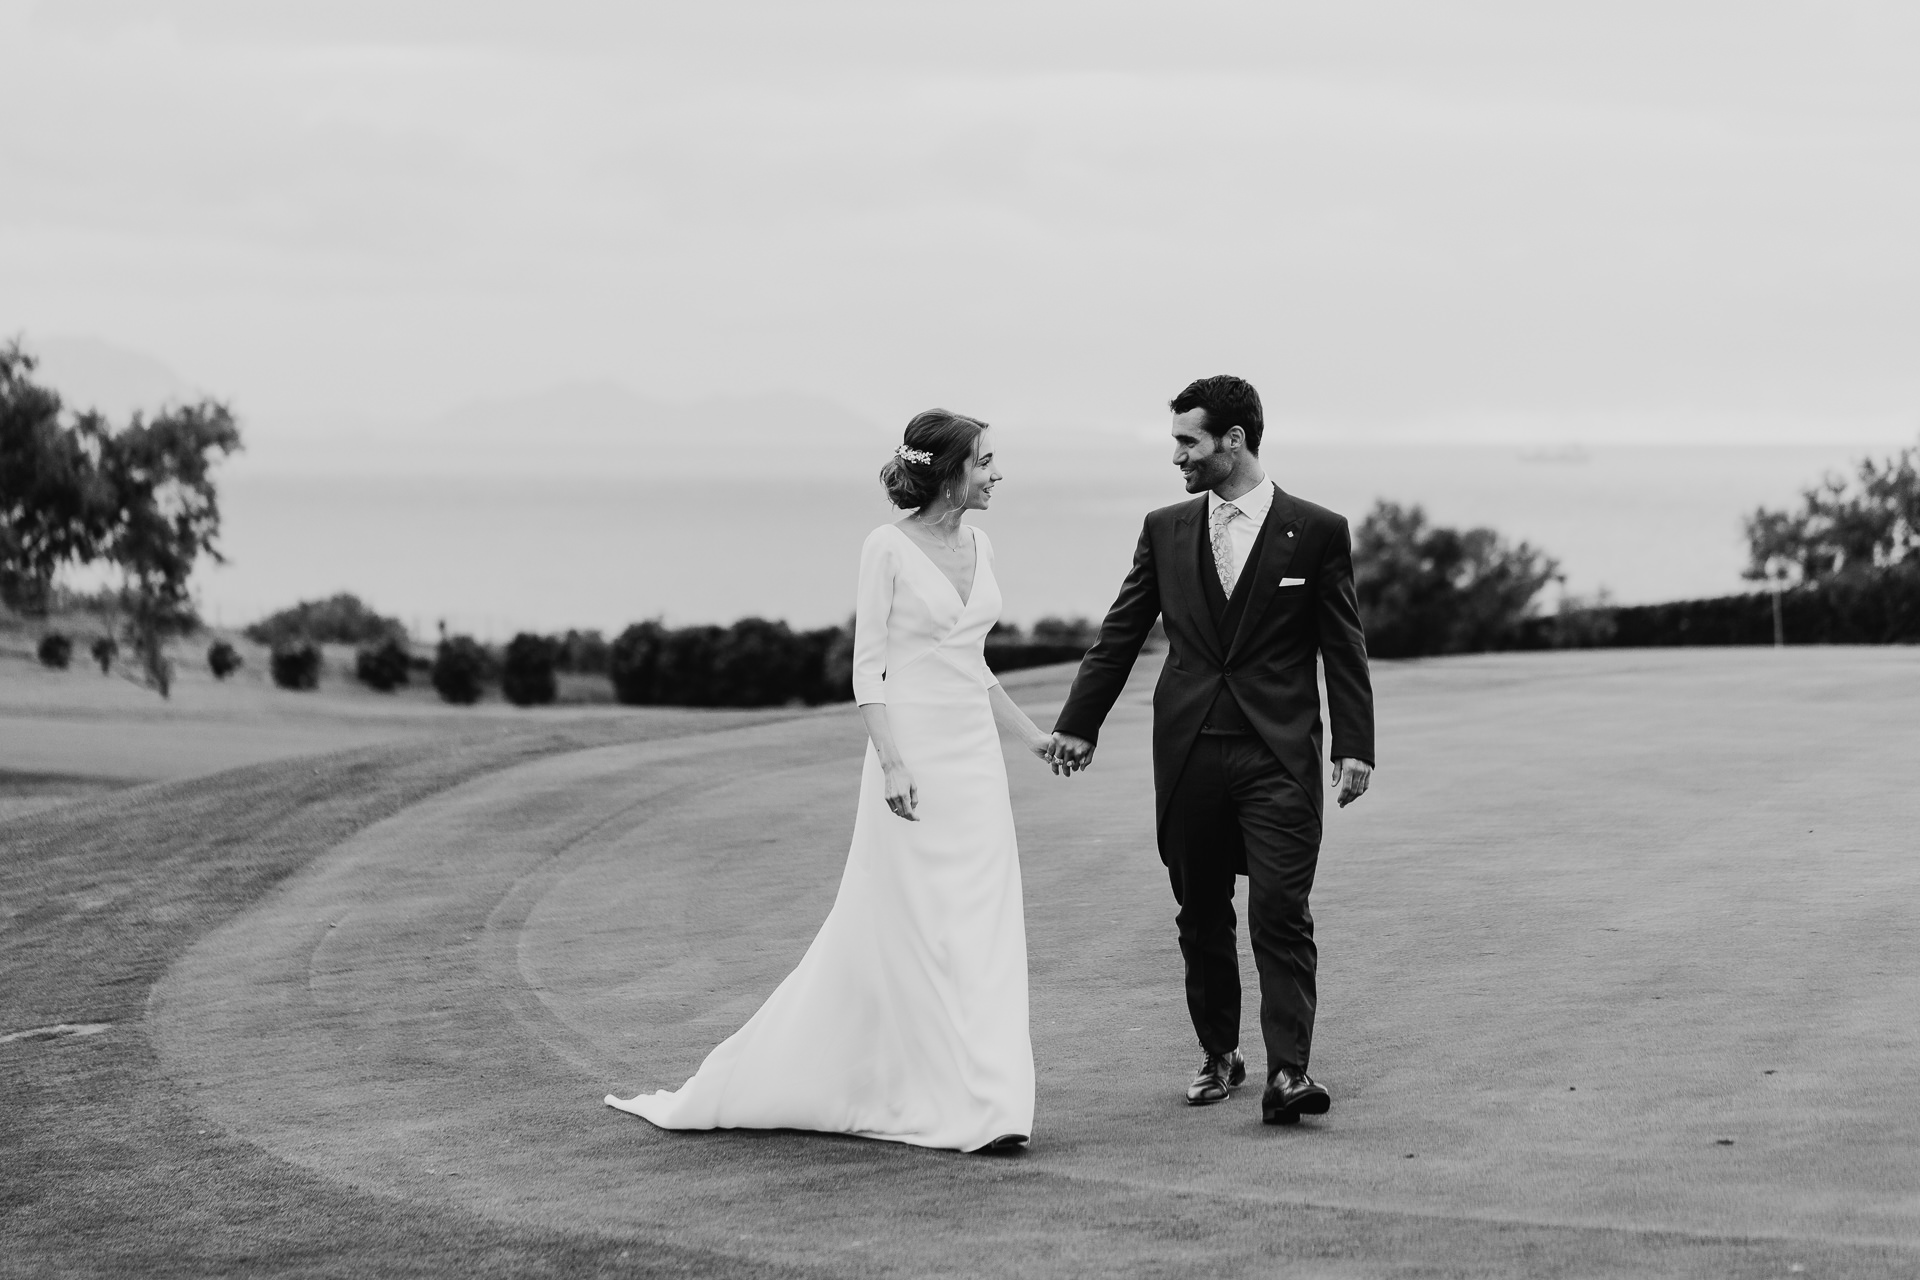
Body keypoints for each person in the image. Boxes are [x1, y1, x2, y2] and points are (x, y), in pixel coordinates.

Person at [606, 409, 1060, 1152]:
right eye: (984, 461)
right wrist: (893, 762)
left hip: (976, 764)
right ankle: (922, 1093)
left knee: (983, 929)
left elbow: (972, 666)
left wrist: (1034, 740)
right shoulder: (885, 547)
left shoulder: (982, 543)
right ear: (949, 471)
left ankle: (994, 1106)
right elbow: (868, 667)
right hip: (910, 759)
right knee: (912, 929)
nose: (995, 474)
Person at [1049, 375, 1375, 1125]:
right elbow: (1121, 633)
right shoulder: (1164, 528)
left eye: (1188, 442)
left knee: (1281, 910)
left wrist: (1355, 744)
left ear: (1233, 441)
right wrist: (1079, 723)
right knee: (1200, 912)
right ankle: (1220, 1055)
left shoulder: (1318, 530)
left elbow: (1343, 646)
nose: (1177, 457)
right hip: (1191, 750)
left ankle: (1289, 1073)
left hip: (1280, 755)